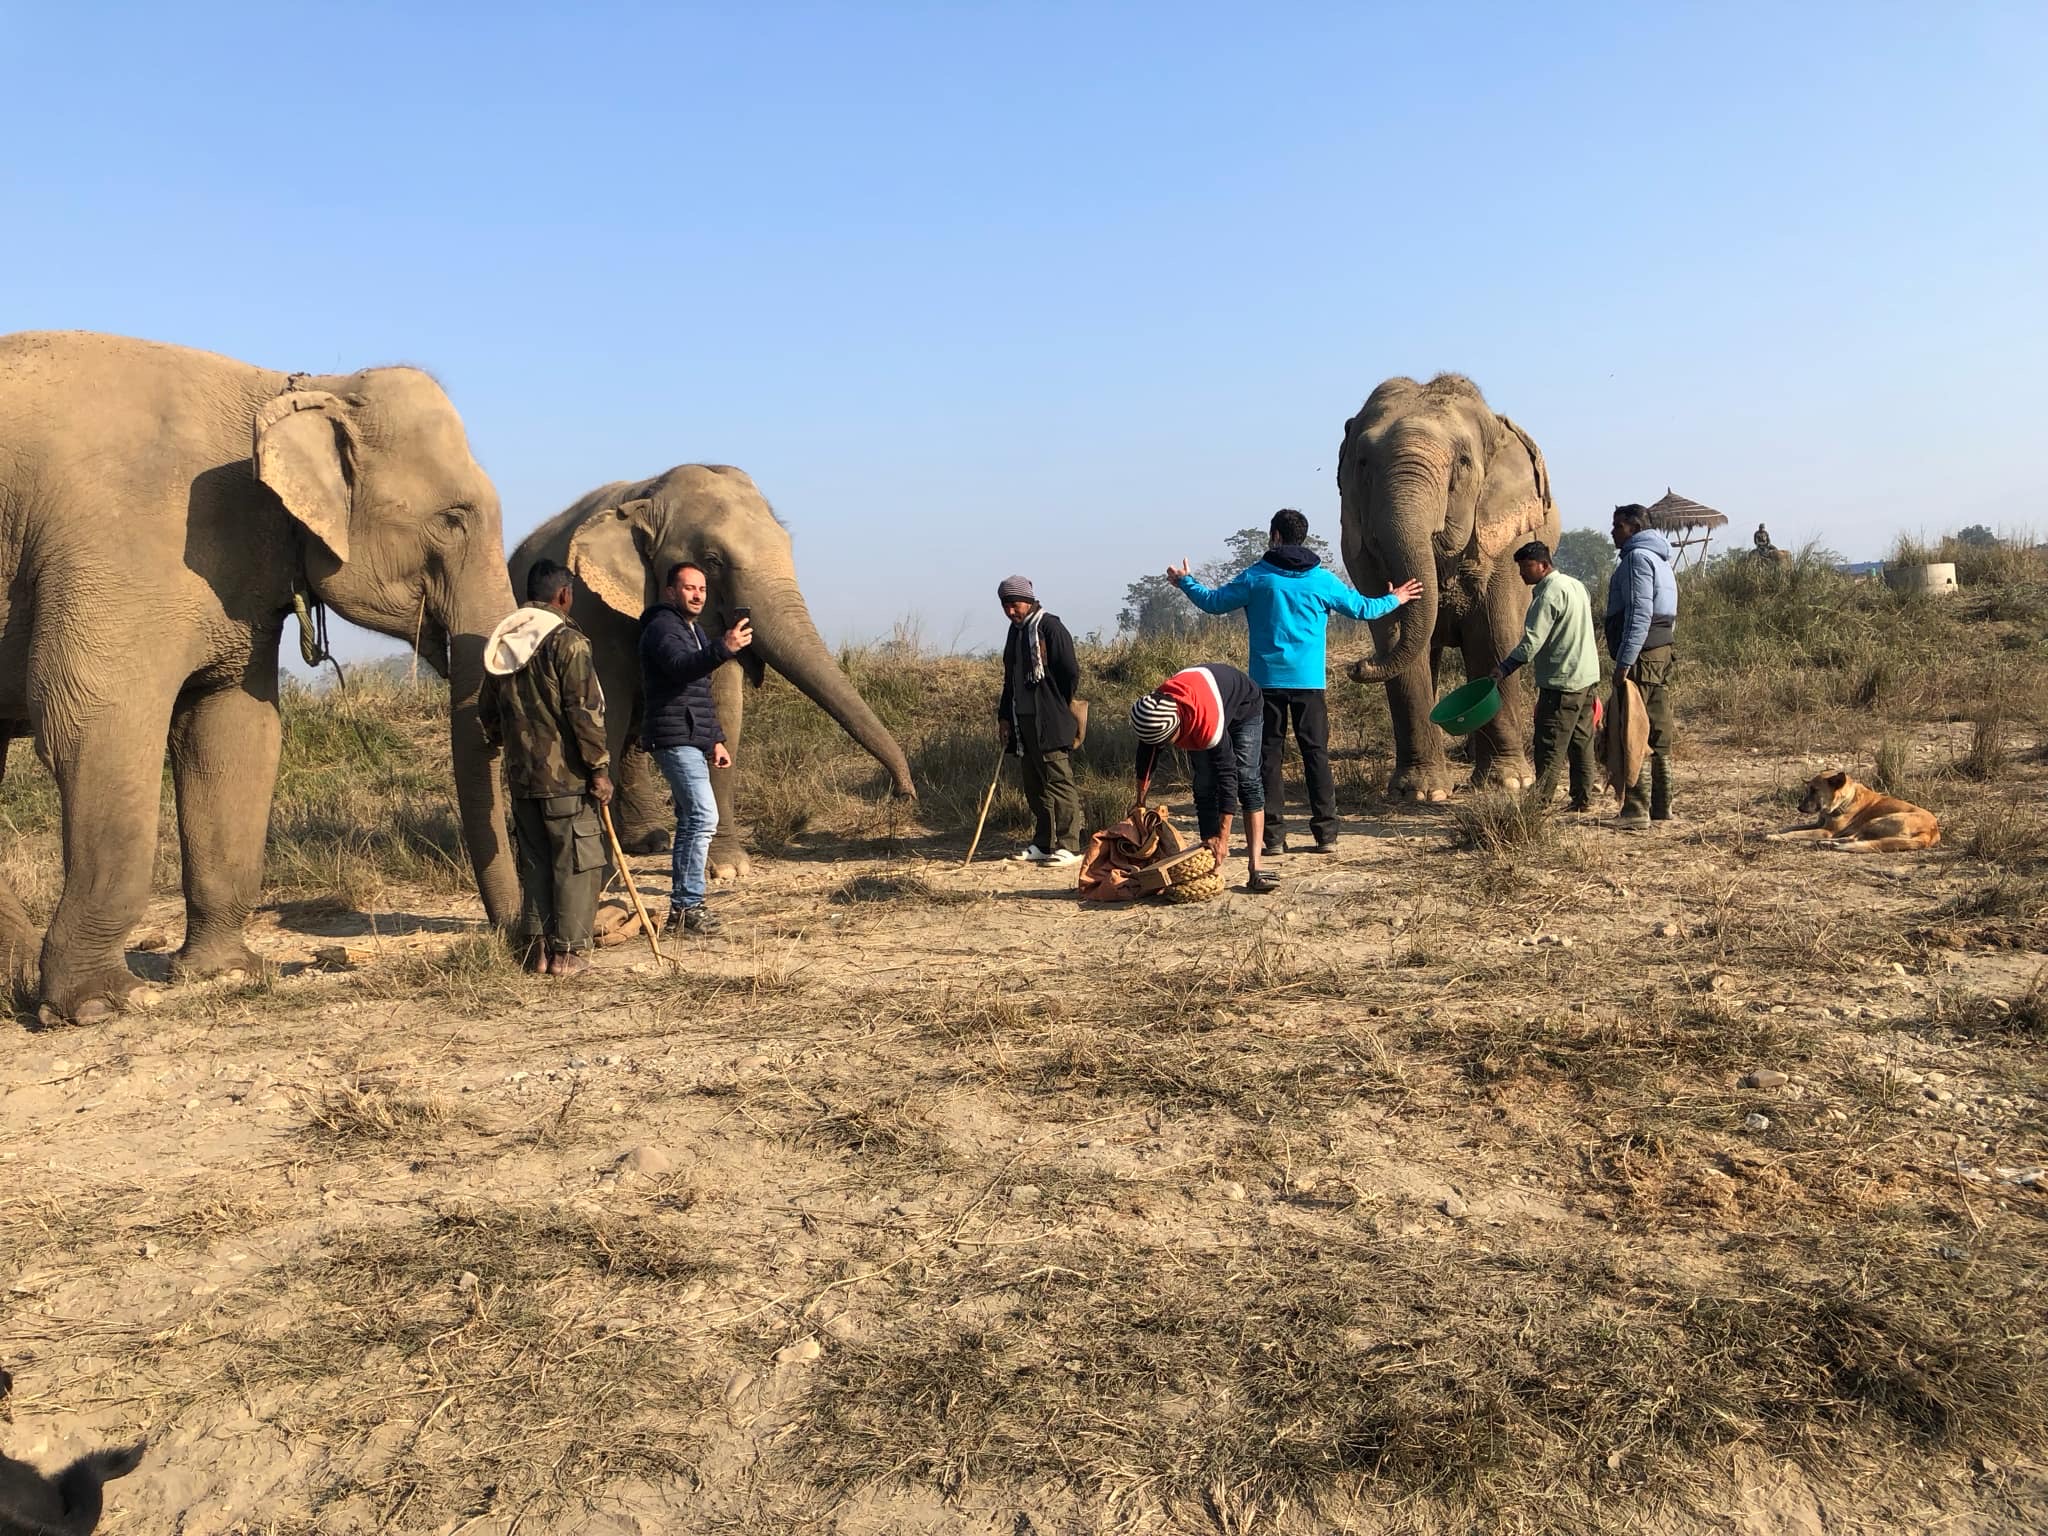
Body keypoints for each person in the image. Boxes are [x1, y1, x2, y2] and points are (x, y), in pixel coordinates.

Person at [1168, 510, 1421, 855]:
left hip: (1264, 687)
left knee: (1267, 759)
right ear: (1303, 537)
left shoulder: (1257, 578)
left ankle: (1272, 838)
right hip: (1310, 684)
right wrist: (1397, 598)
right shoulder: (1321, 580)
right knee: (1315, 755)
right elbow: (1363, 609)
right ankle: (1326, 835)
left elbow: (1213, 604)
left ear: (1275, 536)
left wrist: (1186, 581)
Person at [479, 559, 613, 977]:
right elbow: (584, 712)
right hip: (567, 779)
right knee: (577, 861)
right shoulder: (568, 642)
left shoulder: (506, 640)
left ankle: (537, 953)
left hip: (523, 780)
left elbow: (488, 712)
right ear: (564, 595)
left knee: (535, 862)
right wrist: (599, 768)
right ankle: (568, 954)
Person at [640, 561, 753, 935]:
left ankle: (685, 908)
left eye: (702, 589)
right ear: (671, 591)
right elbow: (679, 667)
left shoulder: (692, 630)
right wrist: (724, 647)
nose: (697, 595)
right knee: (703, 817)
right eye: (689, 588)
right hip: (672, 737)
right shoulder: (662, 627)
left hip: (690, 737)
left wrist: (714, 740)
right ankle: (687, 907)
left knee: (695, 817)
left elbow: (700, 696)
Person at [1128, 662, 1277, 894]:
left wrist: (1224, 838)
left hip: (1244, 706)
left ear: (1179, 726)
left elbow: (1228, 777)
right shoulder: (1153, 712)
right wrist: (1139, 804)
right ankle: (1210, 854)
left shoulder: (1205, 723)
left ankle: (1255, 866)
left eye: (1169, 742)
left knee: (1247, 779)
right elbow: (1146, 759)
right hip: (1205, 695)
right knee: (1204, 781)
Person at [1489, 540, 1599, 812]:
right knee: (1581, 740)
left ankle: (1538, 806)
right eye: (1520, 568)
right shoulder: (1576, 585)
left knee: (1549, 743)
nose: (1522, 573)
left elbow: (1531, 643)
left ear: (1544, 565)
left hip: (1562, 682)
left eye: (1527, 567)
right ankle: (1583, 799)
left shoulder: (1548, 595)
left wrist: (1504, 668)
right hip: (1586, 677)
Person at [994, 575, 1083, 866]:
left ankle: (1069, 844)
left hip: (1050, 718)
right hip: (1023, 721)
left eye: (1015, 604)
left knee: (1058, 781)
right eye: (1005, 605)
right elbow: (1010, 679)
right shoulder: (1015, 632)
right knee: (1034, 785)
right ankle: (1042, 843)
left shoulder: (1050, 627)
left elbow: (1069, 672)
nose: (1010, 611)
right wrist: (1005, 716)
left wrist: (1056, 701)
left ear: (1029, 601)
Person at [1605, 503, 1680, 827]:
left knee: (1631, 728)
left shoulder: (1636, 559)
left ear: (1633, 527)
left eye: (1617, 526)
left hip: (1641, 655)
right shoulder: (1661, 560)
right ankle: (1662, 806)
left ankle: (1635, 810)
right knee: (1658, 727)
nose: (1612, 532)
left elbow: (1639, 612)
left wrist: (1625, 661)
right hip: (1661, 652)